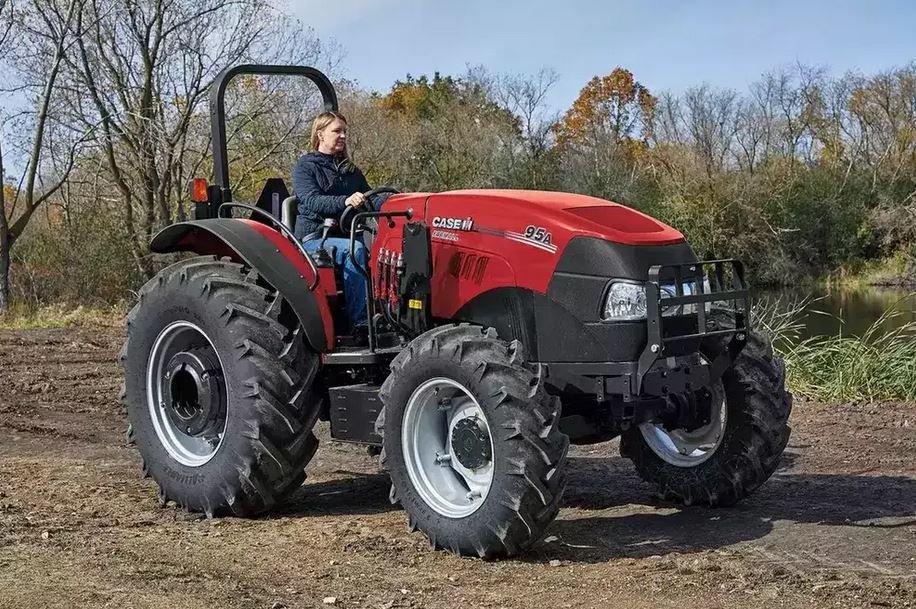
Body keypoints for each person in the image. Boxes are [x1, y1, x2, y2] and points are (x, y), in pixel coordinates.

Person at [291, 111, 376, 330]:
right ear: (320, 134)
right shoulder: (306, 167)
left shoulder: (350, 170)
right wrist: (346, 200)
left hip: (345, 234)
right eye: (337, 131)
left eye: (345, 131)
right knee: (355, 251)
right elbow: (312, 201)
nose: (343, 136)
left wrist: (401, 202)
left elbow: (371, 197)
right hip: (315, 239)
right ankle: (361, 322)